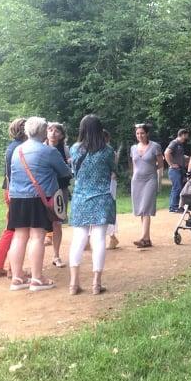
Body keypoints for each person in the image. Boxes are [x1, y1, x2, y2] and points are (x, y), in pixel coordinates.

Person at [6, 116, 72, 292]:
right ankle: (37, 279)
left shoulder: (17, 150)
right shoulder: (48, 151)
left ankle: (17, 278)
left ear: (27, 132)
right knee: (37, 237)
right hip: (38, 198)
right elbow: (65, 172)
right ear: (43, 132)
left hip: (17, 198)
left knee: (19, 237)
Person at [68, 115, 116, 295]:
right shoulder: (108, 151)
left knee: (78, 239)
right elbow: (113, 170)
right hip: (101, 198)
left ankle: (74, 283)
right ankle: (96, 283)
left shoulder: (75, 149)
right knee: (99, 240)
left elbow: (74, 172)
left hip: (80, 198)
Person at [0, 118, 27, 278]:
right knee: (15, 229)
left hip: (10, 190)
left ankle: (0, 265)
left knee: (13, 228)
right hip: (16, 192)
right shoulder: (20, 148)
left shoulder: (11, 147)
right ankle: (6, 267)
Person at [130, 123, 164, 248]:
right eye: (138, 133)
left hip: (150, 179)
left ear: (147, 133)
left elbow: (160, 164)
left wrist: (152, 172)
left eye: (142, 133)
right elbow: (134, 165)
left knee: (146, 209)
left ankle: (143, 238)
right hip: (137, 181)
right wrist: (134, 176)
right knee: (141, 210)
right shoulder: (133, 148)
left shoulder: (155, 146)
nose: (140, 135)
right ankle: (147, 239)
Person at [44, 122, 72, 268]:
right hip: (43, 191)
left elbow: (69, 171)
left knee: (57, 224)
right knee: (40, 224)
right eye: (50, 129)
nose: (53, 133)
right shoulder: (40, 148)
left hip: (60, 190)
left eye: (57, 131)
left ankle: (56, 255)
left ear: (61, 135)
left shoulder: (66, 150)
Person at [164, 128, 189, 213]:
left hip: (179, 169)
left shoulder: (180, 144)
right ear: (182, 134)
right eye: (186, 135)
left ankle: (174, 206)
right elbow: (166, 153)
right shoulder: (174, 143)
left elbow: (177, 155)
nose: (187, 137)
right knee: (177, 188)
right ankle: (173, 207)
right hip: (174, 170)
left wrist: (185, 158)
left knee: (178, 187)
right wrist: (171, 164)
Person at [103, 130, 119, 249]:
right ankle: (88, 240)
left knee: (108, 210)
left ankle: (112, 237)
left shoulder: (110, 152)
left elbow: (113, 170)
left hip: (109, 183)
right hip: (101, 183)